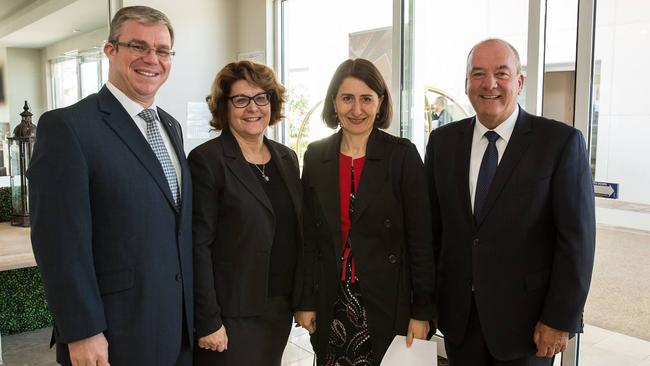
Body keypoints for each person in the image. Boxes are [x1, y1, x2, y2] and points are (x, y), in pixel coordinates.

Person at [28, 6, 193, 366]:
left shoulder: (170, 127)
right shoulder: (67, 128)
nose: (152, 59)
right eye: (138, 46)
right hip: (113, 334)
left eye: (162, 50)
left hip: (177, 329)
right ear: (110, 50)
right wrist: (82, 330)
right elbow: (58, 243)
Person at [424, 38, 596, 365]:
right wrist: (427, 305)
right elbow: (433, 232)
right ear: (466, 84)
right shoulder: (443, 143)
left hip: (529, 328)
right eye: (478, 74)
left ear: (519, 82)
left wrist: (560, 318)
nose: (489, 84)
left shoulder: (559, 143)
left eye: (501, 73)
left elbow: (577, 241)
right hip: (460, 322)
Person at [295, 58, 436, 365]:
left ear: (380, 102)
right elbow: (309, 240)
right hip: (332, 298)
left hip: (387, 300)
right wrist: (305, 301)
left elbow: (421, 240)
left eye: (366, 99)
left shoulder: (402, 155)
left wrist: (422, 310)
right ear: (334, 102)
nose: (356, 110)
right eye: (347, 98)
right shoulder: (316, 156)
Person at [189, 60, 303, 366]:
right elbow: (198, 246)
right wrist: (208, 320)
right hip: (231, 314)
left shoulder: (286, 158)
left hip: (278, 307)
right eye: (241, 99)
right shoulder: (207, 161)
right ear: (224, 107)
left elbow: (296, 234)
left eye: (261, 97)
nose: (253, 108)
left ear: (272, 103)